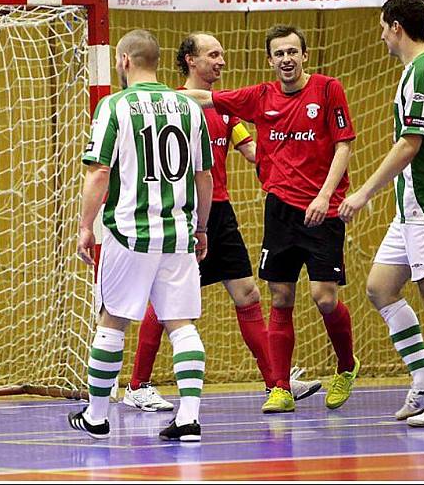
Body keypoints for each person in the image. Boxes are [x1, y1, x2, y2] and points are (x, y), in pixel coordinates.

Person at [121, 33, 322, 414]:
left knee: (248, 295)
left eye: (222, 55)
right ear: (190, 61)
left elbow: (255, 152)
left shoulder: (226, 110)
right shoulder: (175, 106)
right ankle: (137, 384)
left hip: (222, 214)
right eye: (213, 55)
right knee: (167, 301)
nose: (221, 62)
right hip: (186, 212)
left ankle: (276, 381)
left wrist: (298, 156)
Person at [181, 25, 359, 413]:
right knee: (280, 296)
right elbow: (205, 98)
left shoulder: (329, 89)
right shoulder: (261, 96)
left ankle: (346, 366)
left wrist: (325, 195)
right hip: (279, 210)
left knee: (324, 297)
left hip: (322, 210)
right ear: (270, 60)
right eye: (279, 54)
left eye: (293, 52)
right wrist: (152, 94)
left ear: (305, 56)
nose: (287, 60)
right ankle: (279, 387)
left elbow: (344, 145)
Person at [68, 29, 214, 442]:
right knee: (181, 324)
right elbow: (204, 175)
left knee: (111, 321)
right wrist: (201, 227)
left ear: (125, 60)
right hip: (178, 234)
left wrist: (84, 227)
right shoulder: (189, 109)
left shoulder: (113, 106)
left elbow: (99, 172)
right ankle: (189, 416)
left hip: (129, 232)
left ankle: (96, 416)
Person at [339, 0, 424, 427]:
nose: (380, 36)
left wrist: (364, 193)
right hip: (411, 209)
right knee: (379, 287)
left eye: (382, 27)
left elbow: (409, 144)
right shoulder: (421, 70)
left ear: (396, 26)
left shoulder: (423, 71)